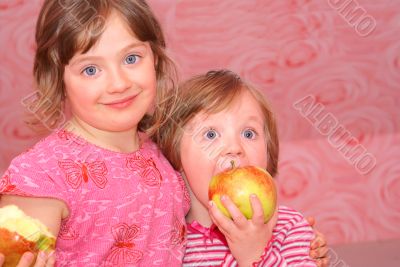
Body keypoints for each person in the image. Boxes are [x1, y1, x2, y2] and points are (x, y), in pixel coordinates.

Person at [0, 0, 189, 266]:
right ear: (59, 79)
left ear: (155, 59)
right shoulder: (41, 177)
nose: (119, 83)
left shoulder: (170, 152)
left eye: (131, 58)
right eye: (91, 70)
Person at [153, 69, 328, 266]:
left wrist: (255, 255)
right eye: (210, 134)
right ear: (174, 152)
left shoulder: (288, 228)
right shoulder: (161, 240)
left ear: (268, 152)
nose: (234, 148)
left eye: (248, 134)